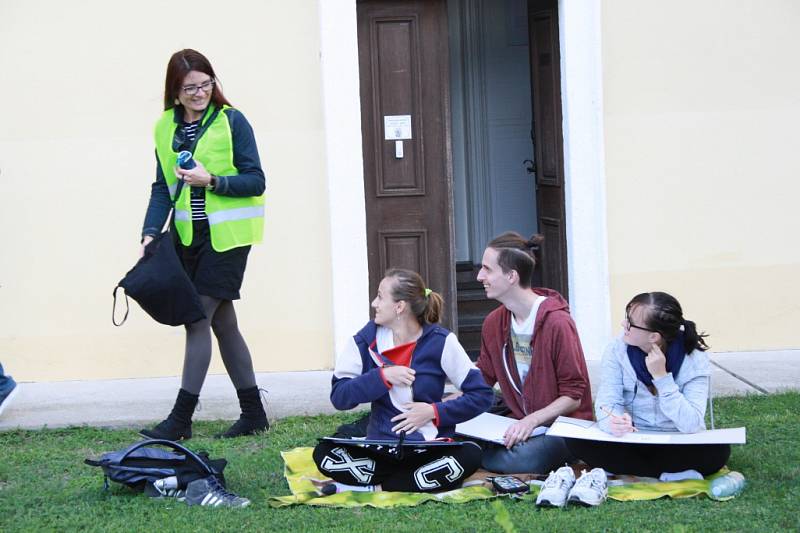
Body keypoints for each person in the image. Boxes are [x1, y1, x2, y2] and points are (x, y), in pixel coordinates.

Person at [139, 49, 267, 440]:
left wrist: (211, 181)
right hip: (186, 239)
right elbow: (163, 186)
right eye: (190, 87)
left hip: (228, 239)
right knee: (224, 324)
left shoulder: (233, 121)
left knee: (197, 319)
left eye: (206, 84)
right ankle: (254, 413)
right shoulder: (164, 127)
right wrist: (149, 232)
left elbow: (256, 180)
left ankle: (180, 420)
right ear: (175, 93)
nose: (199, 93)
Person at [312, 269, 493, 492]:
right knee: (323, 453)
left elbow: (482, 395)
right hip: (380, 449)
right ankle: (413, 481)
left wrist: (433, 412)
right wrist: (382, 377)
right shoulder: (364, 341)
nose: (373, 303)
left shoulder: (441, 341)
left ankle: (377, 486)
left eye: (380, 296)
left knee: (470, 455)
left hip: (429, 450)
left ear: (399, 307)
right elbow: (340, 397)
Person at [564, 292, 731, 479]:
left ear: (654, 337)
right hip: (633, 439)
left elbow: (691, 423)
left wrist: (662, 378)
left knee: (718, 452)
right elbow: (606, 402)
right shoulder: (616, 350)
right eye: (626, 319)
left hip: (678, 441)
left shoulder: (694, 359)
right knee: (575, 441)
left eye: (630, 323)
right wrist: (614, 422)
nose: (623, 325)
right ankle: (674, 473)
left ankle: (635, 469)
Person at [473, 232, 593, 474]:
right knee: (453, 424)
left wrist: (531, 420)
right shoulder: (494, 322)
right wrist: (440, 405)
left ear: (511, 276)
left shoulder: (558, 322)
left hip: (563, 428)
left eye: (487, 269)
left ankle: (475, 453)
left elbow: (574, 396)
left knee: (522, 460)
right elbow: (483, 378)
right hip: (518, 418)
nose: (479, 276)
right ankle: (478, 449)